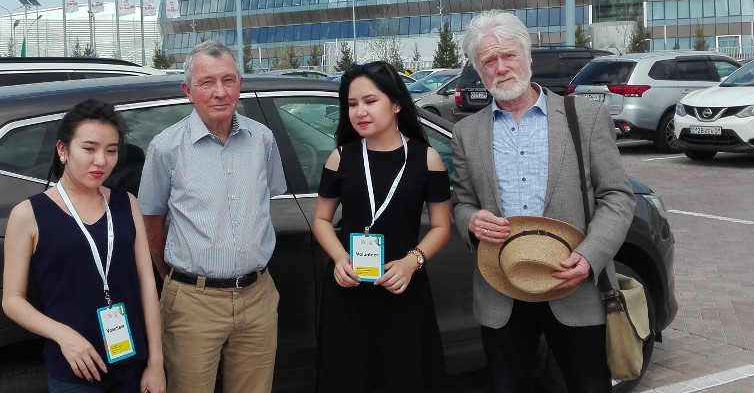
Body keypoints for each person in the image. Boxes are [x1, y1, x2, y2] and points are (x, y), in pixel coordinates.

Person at [450, 11, 636, 393]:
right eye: (488, 60)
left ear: (527, 56)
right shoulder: (466, 133)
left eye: (509, 56)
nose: (501, 68)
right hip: (501, 291)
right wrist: (470, 221)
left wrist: (589, 257)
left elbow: (617, 195)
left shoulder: (583, 117)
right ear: (477, 69)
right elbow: (462, 202)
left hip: (574, 284)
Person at [138, 40, 286, 393]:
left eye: (229, 80)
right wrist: (172, 278)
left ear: (240, 84)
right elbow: (151, 224)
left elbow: (267, 202)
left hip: (258, 297)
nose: (220, 92)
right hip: (193, 304)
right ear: (188, 91)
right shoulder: (165, 148)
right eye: (207, 82)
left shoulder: (263, 139)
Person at [2, 99, 165, 393]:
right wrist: (64, 336)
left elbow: (147, 286)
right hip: (75, 369)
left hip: (133, 362)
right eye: (89, 149)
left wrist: (156, 363)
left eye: (111, 150)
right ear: (63, 150)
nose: (101, 161)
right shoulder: (28, 215)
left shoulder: (126, 203)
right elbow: (12, 300)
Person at [311, 61, 452, 392]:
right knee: (349, 377)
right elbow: (321, 219)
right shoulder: (341, 157)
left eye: (370, 101)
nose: (360, 111)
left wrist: (411, 261)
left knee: (402, 376)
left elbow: (442, 226)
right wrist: (339, 258)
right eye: (352, 104)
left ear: (397, 104)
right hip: (348, 290)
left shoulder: (426, 158)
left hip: (402, 289)